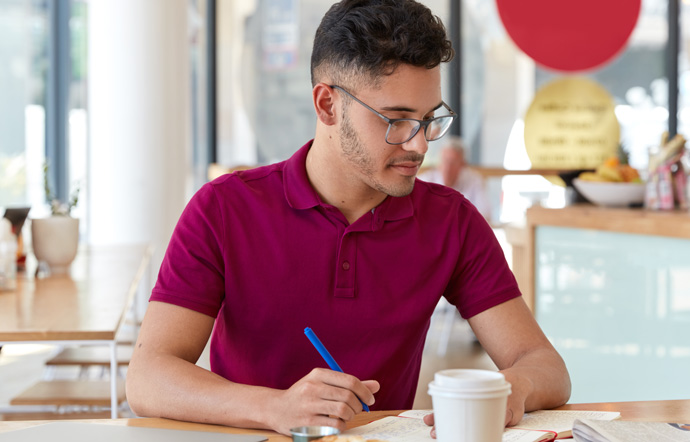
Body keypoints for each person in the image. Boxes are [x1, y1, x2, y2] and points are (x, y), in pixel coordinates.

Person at [126, 0, 570, 437]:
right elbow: (148, 376)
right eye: (396, 120)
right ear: (327, 105)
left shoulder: (452, 221)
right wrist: (276, 407)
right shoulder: (222, 209)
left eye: (429, 119)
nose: (419, 146)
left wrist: (514, 385)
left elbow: (545, 365)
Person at [420, 136, 491, 220]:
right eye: (445, 161)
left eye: (453, 162)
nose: (448, 167)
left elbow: (485, 215)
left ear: (463, 164)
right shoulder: (425, 181)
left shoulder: (474, 180)